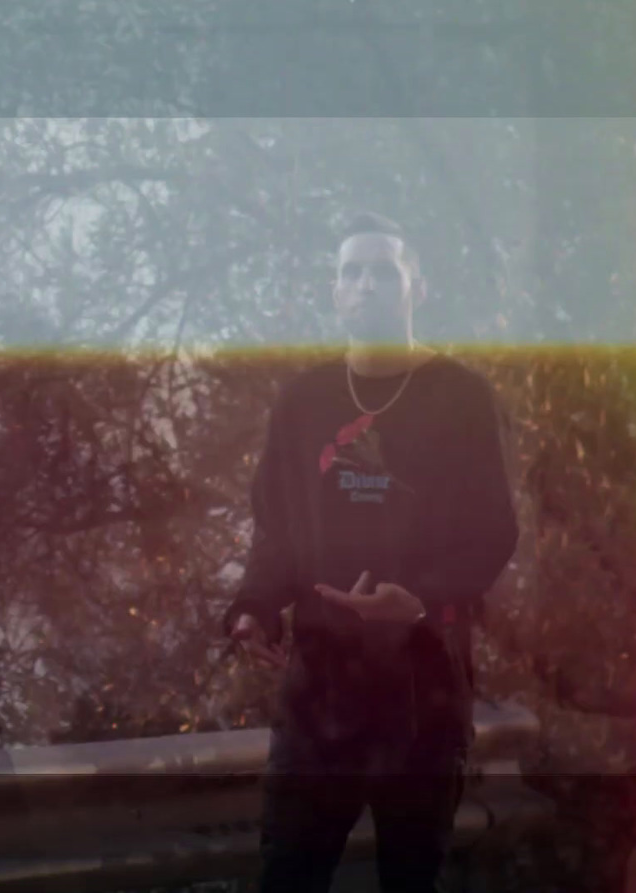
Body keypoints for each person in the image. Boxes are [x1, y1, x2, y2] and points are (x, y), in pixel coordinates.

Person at [222, 211, 519, 892]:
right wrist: (256, 606)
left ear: (416, 287)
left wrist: (419, 597)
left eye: (383, 270)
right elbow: (277, 529)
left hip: (422, 691)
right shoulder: (303, 401)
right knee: (288, 874)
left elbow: (494, 531)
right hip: (319, 693)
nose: (366, 285)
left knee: (411, 878)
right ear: (334, 292)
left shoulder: (463, 396)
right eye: (350, 272)